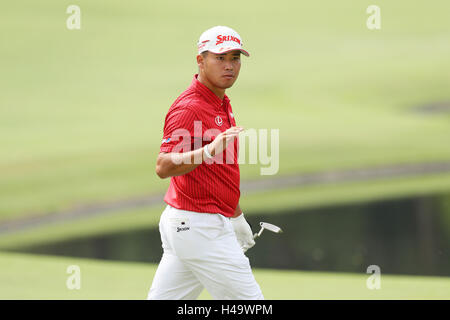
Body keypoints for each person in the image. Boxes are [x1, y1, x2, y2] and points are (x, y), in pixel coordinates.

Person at [147, 26, 263, 300]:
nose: (230, 66)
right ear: (200, 60)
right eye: (220, 58)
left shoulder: (221, 103)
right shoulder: (190, 107)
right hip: (199, 226)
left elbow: (220, 174)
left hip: (192, 224)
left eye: (235, 58)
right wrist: (207, 151)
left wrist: (236, 216)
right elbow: (162, 166)